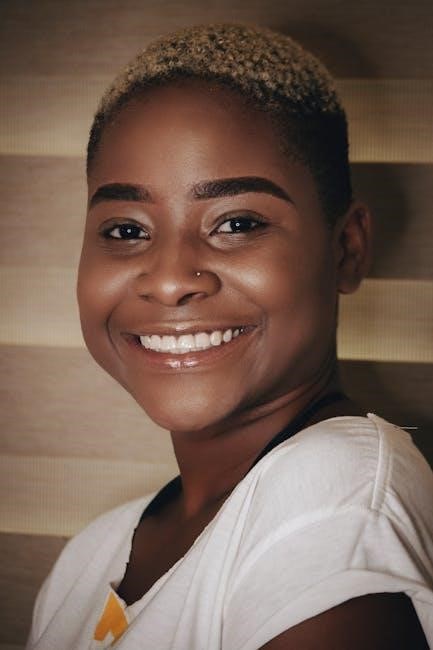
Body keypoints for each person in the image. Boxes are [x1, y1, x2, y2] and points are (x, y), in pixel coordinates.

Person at [27, 23, 432, 649]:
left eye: (237, 223)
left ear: (347, 249)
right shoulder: (90, 555)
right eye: (127, 230)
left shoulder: (337, 500)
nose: (169, 281)